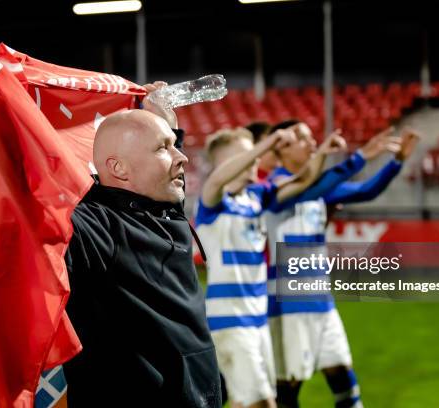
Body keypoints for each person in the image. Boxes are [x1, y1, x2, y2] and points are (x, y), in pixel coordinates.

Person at [62, 87, 222, 407]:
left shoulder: (167, 209)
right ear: (119, 168)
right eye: (164, 148)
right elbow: (45, 232)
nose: (183, 156)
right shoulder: (92, 225)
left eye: (175, 145)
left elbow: (166, 173)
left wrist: (165, 123)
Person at [264, 120, 419, 408]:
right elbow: (307, 190)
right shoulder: (273, 187)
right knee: (287, 389)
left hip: (323, 302)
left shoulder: (319, 189)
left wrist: (395, 163)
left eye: (312, 137)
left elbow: (365, 191)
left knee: (343, 376)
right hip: (289, 306)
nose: (311, 143)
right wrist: (361, 157)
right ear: (280, 148)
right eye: (301, 139)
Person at [195, 127, 347, 408]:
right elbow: (217, 179)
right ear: (226, 163)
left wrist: (323, 153)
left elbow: (304, 181)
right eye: (247, 154)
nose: (257, 159)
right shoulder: (213, 201)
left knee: (245, 401)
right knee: (263, 403)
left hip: (258, 321)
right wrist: (267, 143)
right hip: (231, 322)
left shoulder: (255, 199)